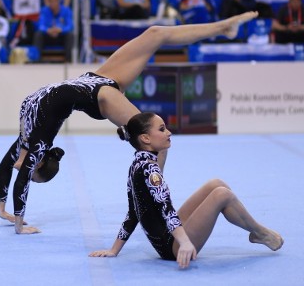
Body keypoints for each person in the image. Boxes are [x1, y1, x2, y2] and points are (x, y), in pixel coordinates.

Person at [0, 11, 259, 234]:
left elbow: (13, 173)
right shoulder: (33, 139)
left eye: (33, 174)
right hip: (99, 95)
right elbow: (13, 170)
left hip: (96, 80)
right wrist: (6, 210)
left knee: (156, 33)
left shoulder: (32, 141)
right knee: (158, 142)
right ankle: (157, 201)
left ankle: (225, 26)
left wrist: (13, 219)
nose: (27, 170)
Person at [90, 112, 284, 268]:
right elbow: (165, 209)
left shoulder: (137, 163)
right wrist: (184, 242)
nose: (169, 132)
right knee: (222, 194)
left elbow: (134, 212)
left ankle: (256, 232)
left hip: (166, 236)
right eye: (162, 129)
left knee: (216, 184)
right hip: (172, 246)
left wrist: (114, 249)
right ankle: (260, 232)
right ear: (146, 138)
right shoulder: (151, 170)